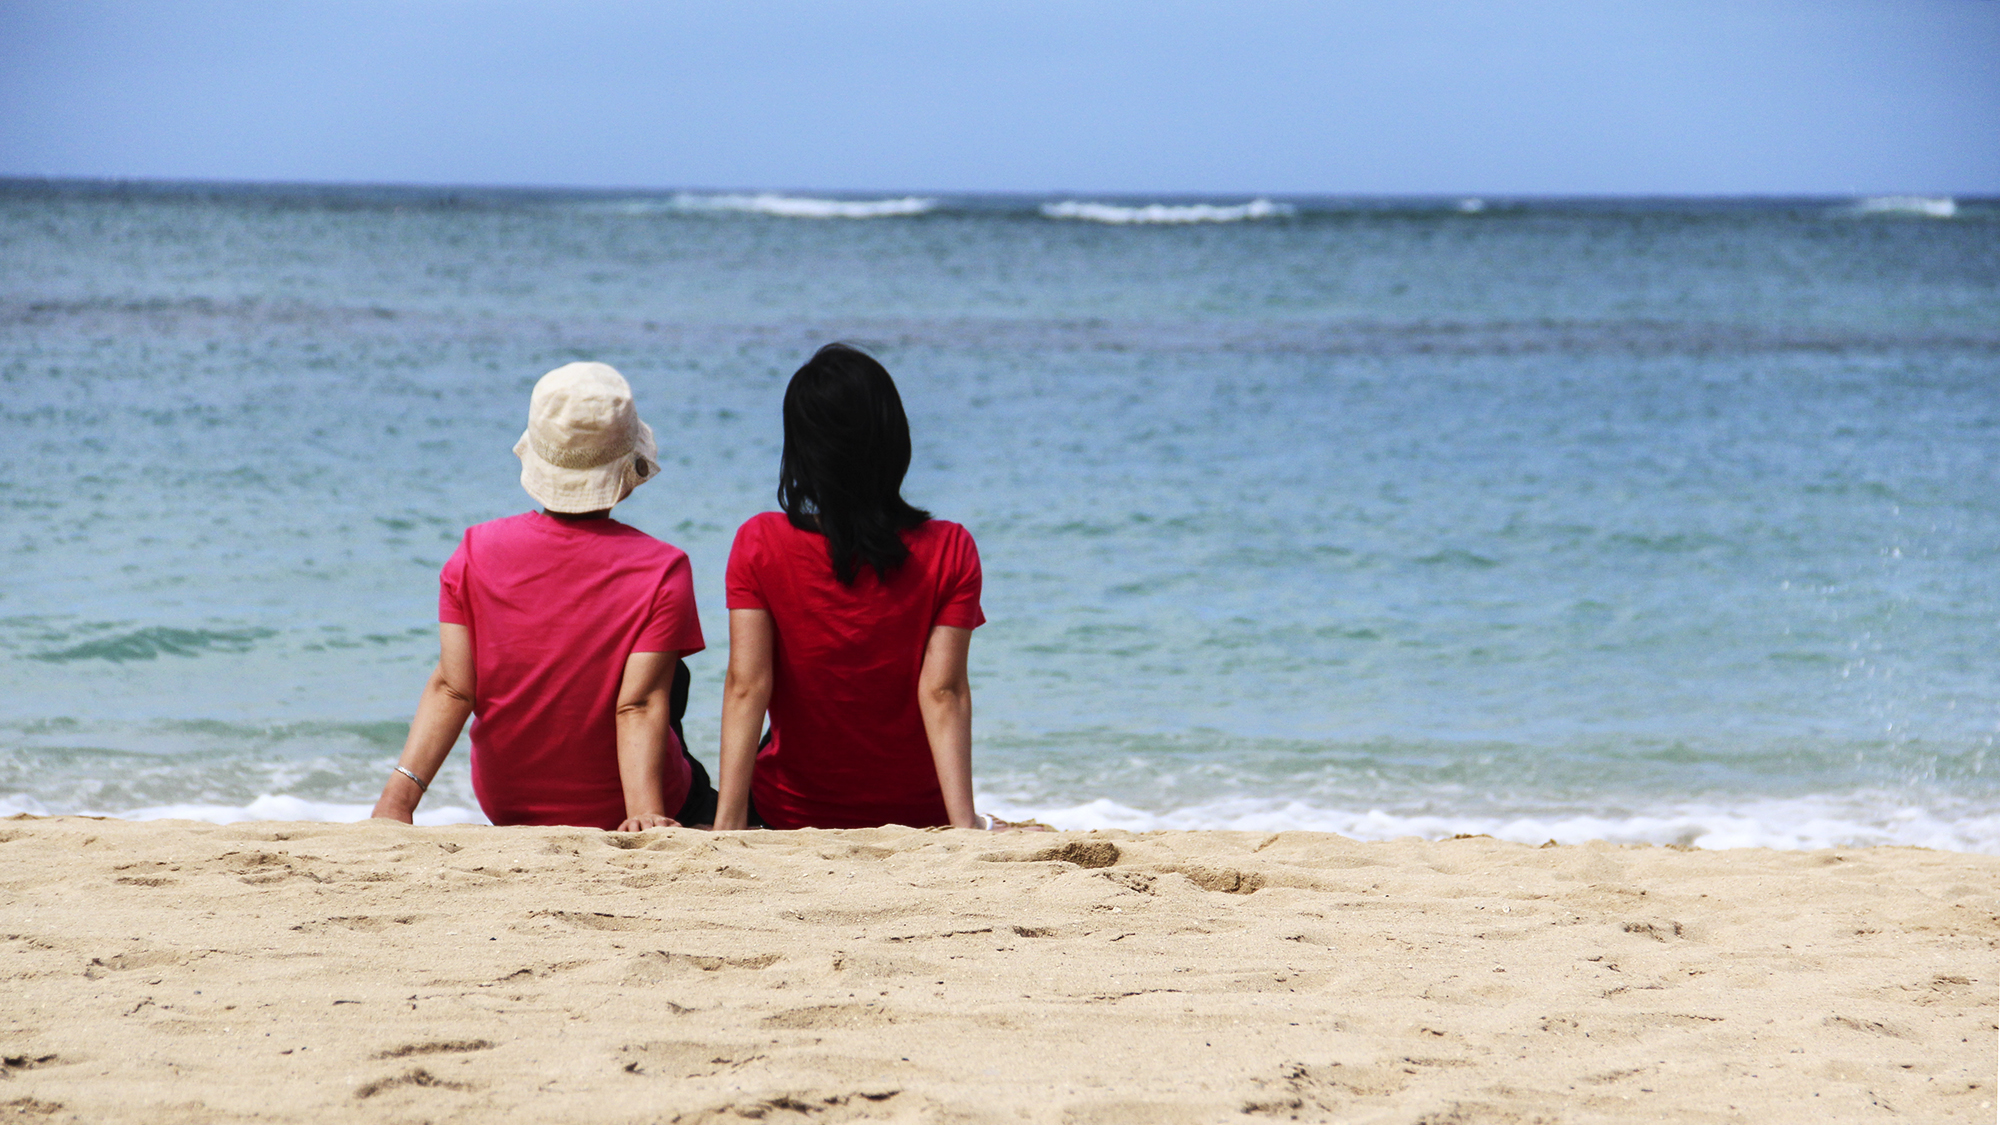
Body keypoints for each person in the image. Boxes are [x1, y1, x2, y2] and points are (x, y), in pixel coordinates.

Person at [370, 361, 714, 831]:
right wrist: (644, 817)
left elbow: (454, 686)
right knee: (669, 680)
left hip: (508, 805)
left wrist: (396, 803)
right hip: (627, 804)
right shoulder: (662, 568)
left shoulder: (474, 553)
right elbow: (637, 705)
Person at [714, 344, 986, 831]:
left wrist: (727, 828)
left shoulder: (759, 542)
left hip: (790, 811)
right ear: (895, 437)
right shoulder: (950, 548)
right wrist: (963, 827)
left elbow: (747, 685)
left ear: (802, 449)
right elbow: (942, 691)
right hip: (918, 814)